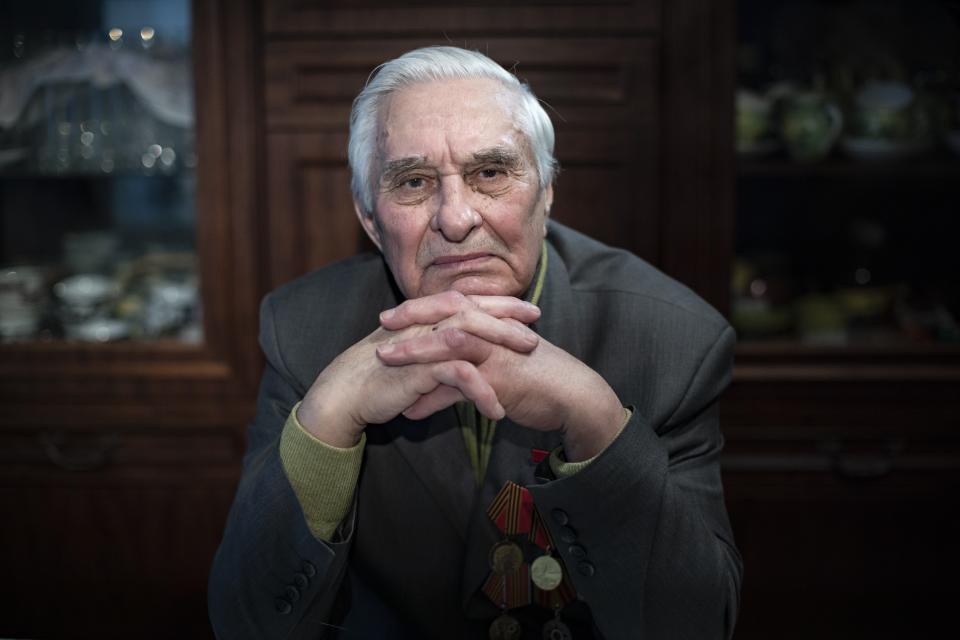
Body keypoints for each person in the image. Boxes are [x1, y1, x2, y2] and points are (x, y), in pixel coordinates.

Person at [208, 46, 741, 640]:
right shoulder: (303, 329)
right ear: (368, 218)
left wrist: (597, 421)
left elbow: (696, 625)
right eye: (413, 182)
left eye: (491, 173)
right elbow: (245, 623)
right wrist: (329, 418)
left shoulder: (674, 340)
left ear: (545, 192)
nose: (456, 218)